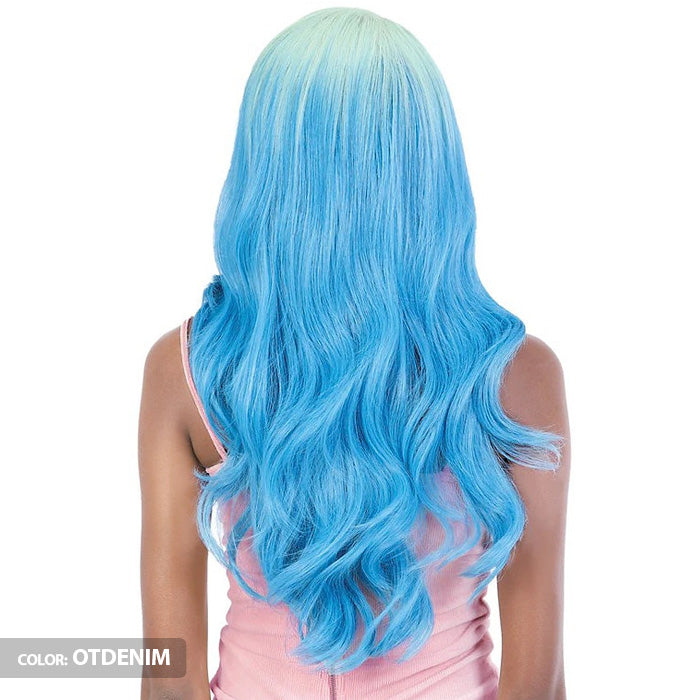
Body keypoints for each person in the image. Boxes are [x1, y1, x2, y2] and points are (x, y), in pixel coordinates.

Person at [139, 8, 570, 700]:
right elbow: (539, 686)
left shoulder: (193, 370)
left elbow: (168, 681)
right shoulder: (516, 375)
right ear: (429, 168)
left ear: (266, 167)